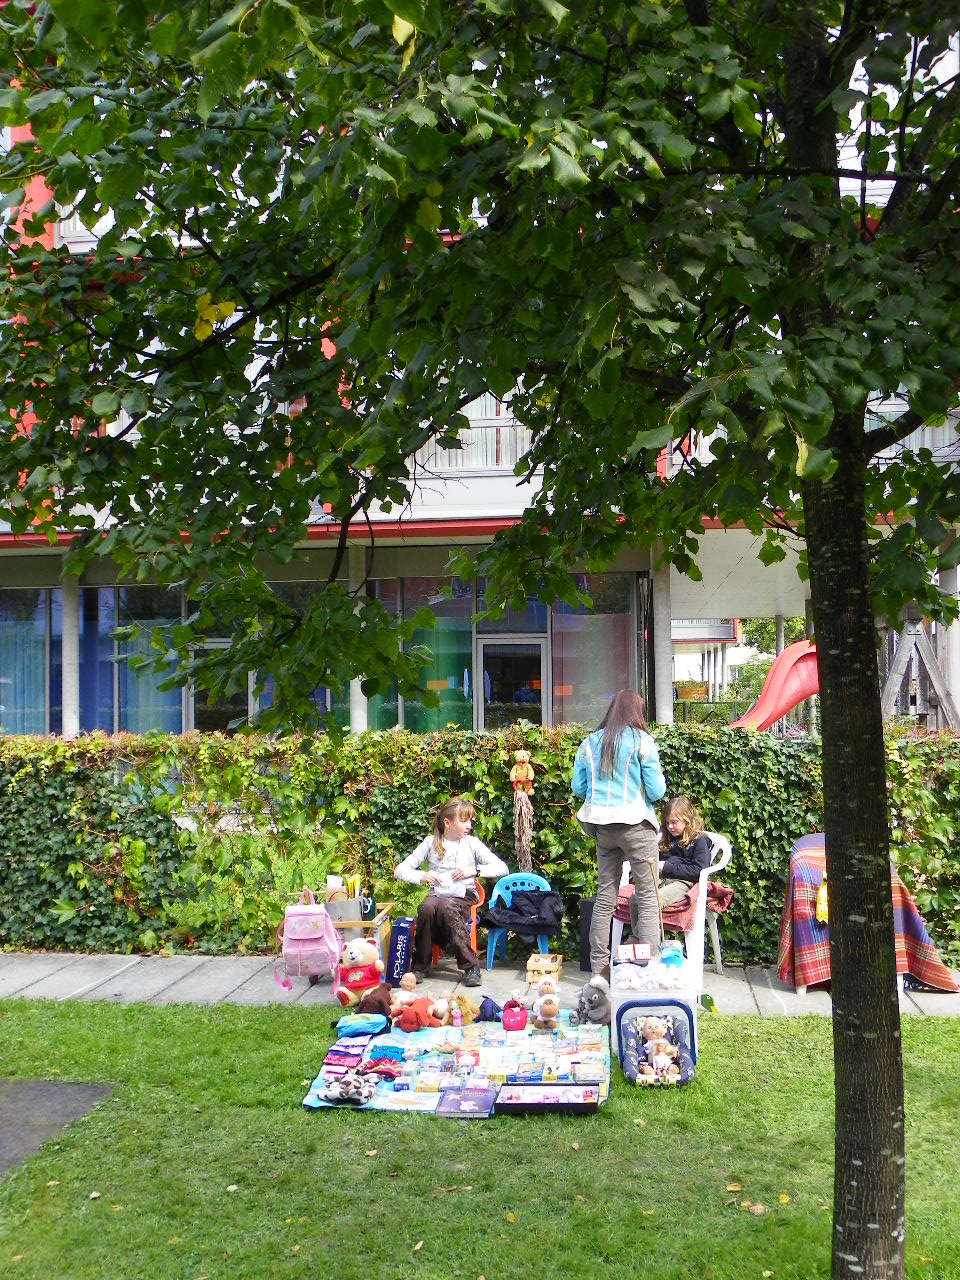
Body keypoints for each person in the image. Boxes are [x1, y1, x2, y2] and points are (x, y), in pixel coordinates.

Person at [571, 688, 666, 979]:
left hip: (602, 828)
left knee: (605, 897)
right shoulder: (643, 741)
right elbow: (657, 791)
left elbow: (578, 788)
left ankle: (599, 970)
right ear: (637, 712)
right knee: (647, 896)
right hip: (637, 825)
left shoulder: (589, 742)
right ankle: (649, 969)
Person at [395, 795, 508, 987]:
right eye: (464, 821)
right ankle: (420, 966)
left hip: (464, 895)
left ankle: (471, 967)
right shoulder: (431, 842)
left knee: (447, 905)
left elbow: (502, 868)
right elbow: (400, 870)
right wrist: (423, 875)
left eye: (470, 821)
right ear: (447, 823)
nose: (469, 825)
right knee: (427, 907)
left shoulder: (471, 843)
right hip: (438, 894)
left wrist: (474, 871)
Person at [655, 795, 713, 908]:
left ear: (687, 820)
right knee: (636, 899)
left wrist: (667, 867)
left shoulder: (699, 840)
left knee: (653, 901)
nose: (670, 826)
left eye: (674, 822)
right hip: (663, 880)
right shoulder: (667, 839)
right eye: (667, 823)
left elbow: (699, 870)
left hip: (685, 883)